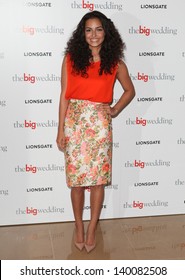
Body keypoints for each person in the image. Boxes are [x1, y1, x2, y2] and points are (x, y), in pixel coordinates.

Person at [56, 10, 135, 253]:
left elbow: (130, 91)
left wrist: (114, 110)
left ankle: (92, 229)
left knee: (98, 182)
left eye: (98, 29)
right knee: (77, 183)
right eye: (88, 30)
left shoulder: (115, 64)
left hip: (100, 128)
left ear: (106, 32)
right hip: (75, 123)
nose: (93, 35)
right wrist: (61, 130)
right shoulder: (70, 59)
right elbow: (64, 96)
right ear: (82, 33)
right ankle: (78, 226)